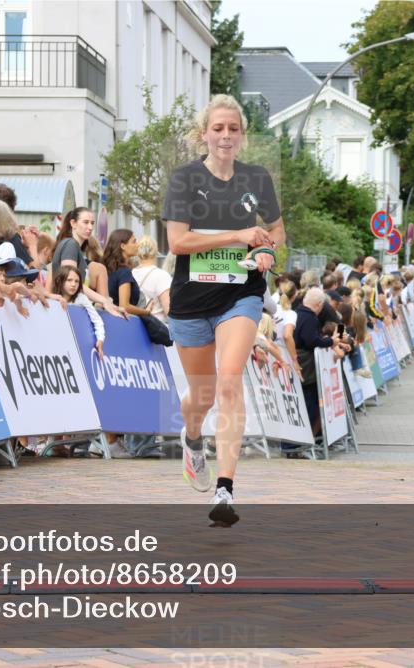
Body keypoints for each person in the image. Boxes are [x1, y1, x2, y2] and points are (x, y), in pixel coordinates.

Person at [162, 94, 286, 527]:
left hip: (241, 295)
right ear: (204, 134)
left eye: (233, 128)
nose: (226, 136)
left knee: (231, 380)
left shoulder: (257, 179)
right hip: (192, 301)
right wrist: (238, 236)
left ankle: (225, 488)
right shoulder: (184, 180)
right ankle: (192, 437)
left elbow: (274, 231)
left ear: (243, 135)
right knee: (203, 396)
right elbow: (178, 242)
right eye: (218, 128)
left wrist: (267, 249)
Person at [295, 288, 349, 437]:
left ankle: (317, 435)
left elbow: (339, 323)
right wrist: (333, 341)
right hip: (313, 350)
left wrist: (340, 338)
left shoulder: (308, 305)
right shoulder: (311, 310)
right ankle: (314, 435)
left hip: (323, 339)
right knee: (312, 399)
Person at [52, 207, 123, 317]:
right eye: (85, 222)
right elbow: (69, 281)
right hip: (66, 311)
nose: (90, 227)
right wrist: (104, 301)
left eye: (92, 223)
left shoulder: (73, 246)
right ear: (73, 223)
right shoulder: (70, 245)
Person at [53, 266, 105, 359]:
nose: (73, 284)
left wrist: (100, 339)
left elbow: (97, 320)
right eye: (69, 280)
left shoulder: (81, 298)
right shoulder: (52, 298)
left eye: (76, 281)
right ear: (60, 281)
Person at [102, 229, 151, 317]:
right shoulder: (124, 272)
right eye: (134, 241)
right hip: (124, 322)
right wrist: (147, 312)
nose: (138, 244)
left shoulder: (107, 269)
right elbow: (124, 306)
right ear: (123, 246)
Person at [132, 235, 173, 321]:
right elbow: (168, 310)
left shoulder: (131, 273)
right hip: (155, 326)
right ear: (155, 251)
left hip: (135, 325)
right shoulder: (161, 276)